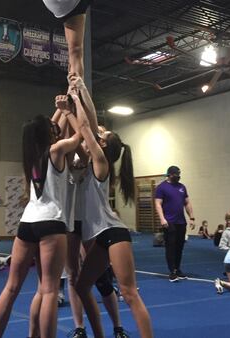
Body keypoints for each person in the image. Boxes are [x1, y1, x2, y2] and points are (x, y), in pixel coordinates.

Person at [0, 96, 81, 338]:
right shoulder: (57, 149)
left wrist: (58, 108)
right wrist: (71, 111)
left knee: (11, 288)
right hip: (51, 223)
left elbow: (48, 128)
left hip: (27, 224)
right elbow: (79, 136)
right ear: (47, 135)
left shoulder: (31, 157)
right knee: (50, 290)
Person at [68, 88, 153, 338]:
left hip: (114, 233)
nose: (98, 131)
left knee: (129, 293)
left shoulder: (101, 164)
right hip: (101, 236)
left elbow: (85, 128)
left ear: (102, 143)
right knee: (82, 286)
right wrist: (68, 111)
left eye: (102, 134)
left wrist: (75, 101)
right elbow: (81, 133)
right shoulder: (90, 161)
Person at [154, 166, 195, 282]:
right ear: (170, 174)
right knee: (170, 247)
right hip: (169, 221)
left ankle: (177, 268)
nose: (178, 176)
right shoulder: (162, 187)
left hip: (181, 221)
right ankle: (172, 271)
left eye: (179, 174)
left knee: (179, 247)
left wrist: (192, 217)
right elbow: (158, 204)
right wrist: (162, 218)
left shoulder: (182, 187)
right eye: (176, 174)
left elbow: (187, 203)